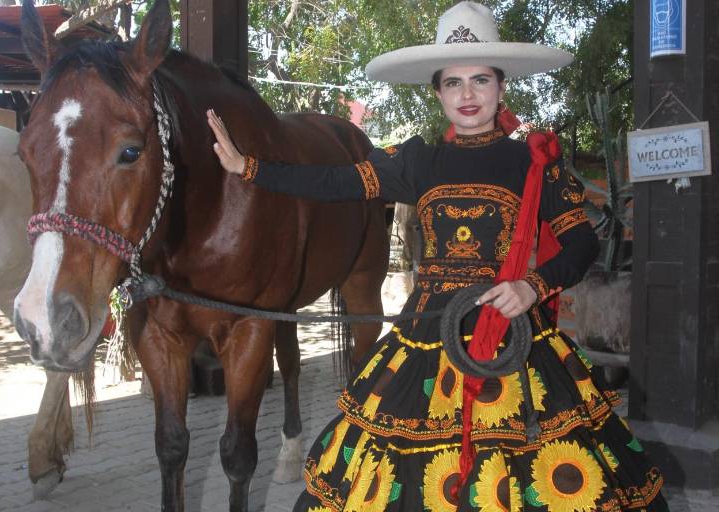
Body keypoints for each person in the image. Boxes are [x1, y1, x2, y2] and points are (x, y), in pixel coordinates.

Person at [208, 3, 668, 511]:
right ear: (438, 91)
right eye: (453, 83)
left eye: (480, 81)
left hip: (513, 332)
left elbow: (580, 243)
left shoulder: (533, 162)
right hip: (427, 335)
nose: (467, 95)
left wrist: (532, 286)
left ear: (500, 86)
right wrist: (249, 168)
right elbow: (333, 181)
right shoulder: (419, 162)